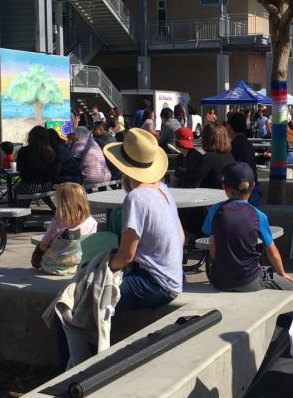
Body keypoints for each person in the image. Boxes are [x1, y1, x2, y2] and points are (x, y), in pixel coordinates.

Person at [103, 128, 184, 311]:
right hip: (175, 277)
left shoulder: (136, 197)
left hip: (155, 283)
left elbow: (126, 256)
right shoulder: (163, 188)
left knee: (82, 301)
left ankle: (81, 340)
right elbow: (182, 238)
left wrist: (102, 267)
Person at [202, 162, 293, 291]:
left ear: (225, 188)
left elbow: (213, 245)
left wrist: (221, 267)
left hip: (220, 279)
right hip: (250, 280)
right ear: (253, 186)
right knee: (288, 287)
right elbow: (272, 252)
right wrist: (282, 274)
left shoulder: (215, 210)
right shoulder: (259, 215)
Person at [31, 182, 98, 276]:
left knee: (40, 245)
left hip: (51, 266)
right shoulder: (92, 222)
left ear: (61, 204)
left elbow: (43, 247)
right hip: (77, 266)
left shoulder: (56, 223)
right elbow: (91, 245)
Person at [185, 122, 234, 189]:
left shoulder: (209, 158)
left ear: (207, 138)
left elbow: (193, 183)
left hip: (211, 197)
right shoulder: (229, 156)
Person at [227, 111, 262, 205]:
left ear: (230, 127)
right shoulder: (248, 144)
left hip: (243, 192)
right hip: (254, 188)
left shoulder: (234, 146)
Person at [15, 126, 55, 196]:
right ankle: (51, 205)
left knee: (16, 191)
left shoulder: (24, 151)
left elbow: (19, 168)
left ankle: (21, 206)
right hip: (47, 185)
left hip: (29, 185)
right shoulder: (50, 152)